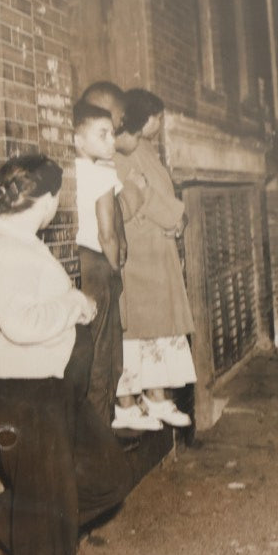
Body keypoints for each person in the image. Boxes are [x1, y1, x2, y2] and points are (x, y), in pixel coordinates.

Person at [0, 153, 134, 555]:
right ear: (47, 200)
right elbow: (22, 325)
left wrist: (69, 308)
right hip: (16, 394)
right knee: (48, 532)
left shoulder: (21, 243)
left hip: (46, 389)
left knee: (107, 477)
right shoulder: (0, 247)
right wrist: (73, 303)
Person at [113, 88, 196, 427]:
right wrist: (174, 218)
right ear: (144, 118)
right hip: (139, 253)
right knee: (138, 329)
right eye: (158, 118)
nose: (160, 124)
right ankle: (134, 402)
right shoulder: (123, 152)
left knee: (160, 329)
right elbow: (142, 197)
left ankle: (157, 397)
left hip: (155, 249)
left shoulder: (145, 149)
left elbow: (159, 191)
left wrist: (176, 221)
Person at [72, 98, 157, 431]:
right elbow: (107, 232)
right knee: (105, 355)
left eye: (112, 133)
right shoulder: (99, 175)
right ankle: (101, 431)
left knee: (87, 349)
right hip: (98, 264)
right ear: (79, 141)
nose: (111, 141)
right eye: (102, 134)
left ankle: (90, 429)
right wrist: (116, 270)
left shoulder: (72, 171)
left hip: (79, 263)